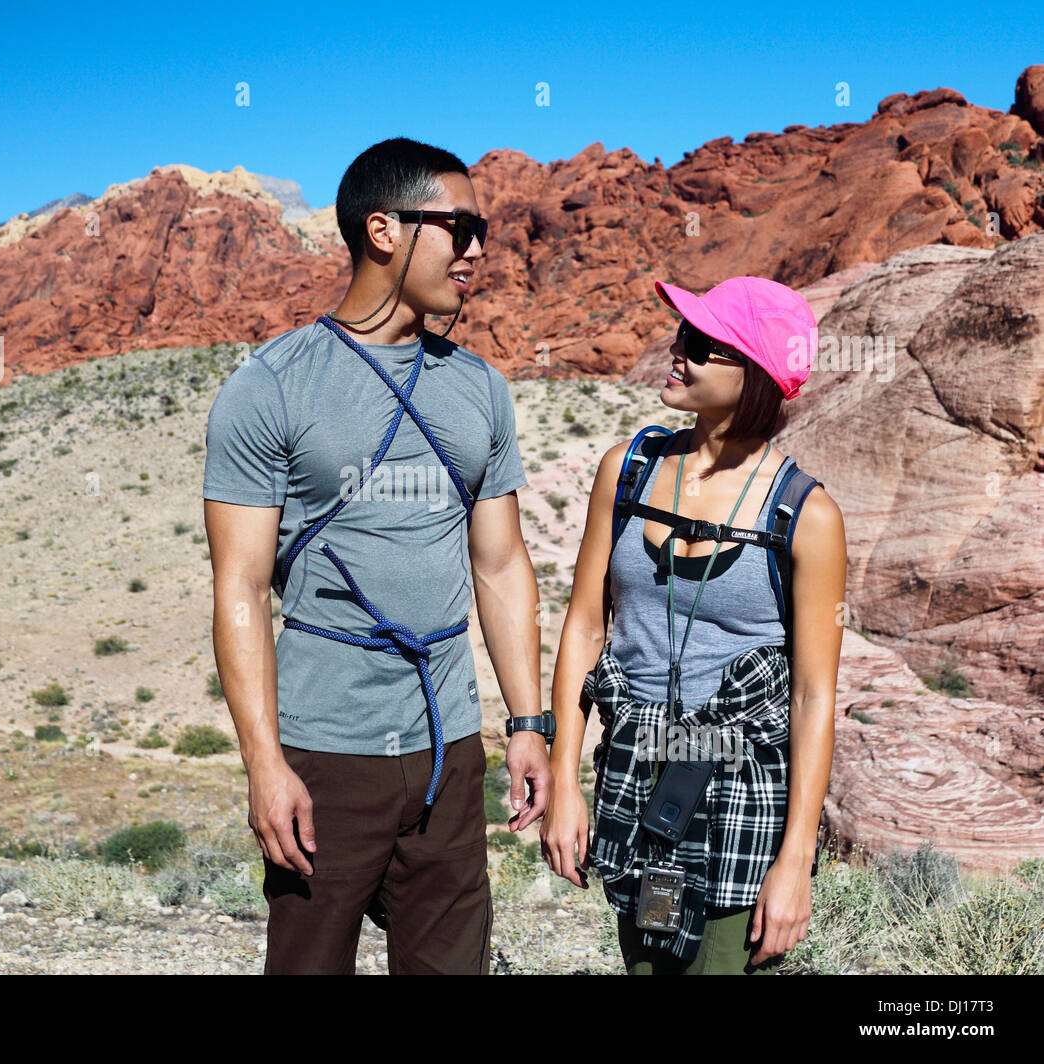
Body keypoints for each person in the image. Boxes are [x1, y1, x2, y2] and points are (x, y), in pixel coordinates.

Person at [202, 137, 552, 975]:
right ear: (384, 229)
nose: (475, 251)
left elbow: (501, 566)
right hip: (326, 755)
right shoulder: (273, 386)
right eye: (458, 227)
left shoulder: (480, 388)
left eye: (483, 231)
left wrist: (529, 723)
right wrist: (265, 765)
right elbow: (241, 586)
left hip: (448, 748)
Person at [540, 276, 846, 974]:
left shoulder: (807, 515)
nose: (677, 351)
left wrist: (796, 860)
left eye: (704, 345)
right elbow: (586, 627)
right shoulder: (629, 470)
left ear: (759, 377)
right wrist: (565, 784)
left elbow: (813, 695)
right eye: (683, 335)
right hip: (635, 776)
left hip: (742, 793)